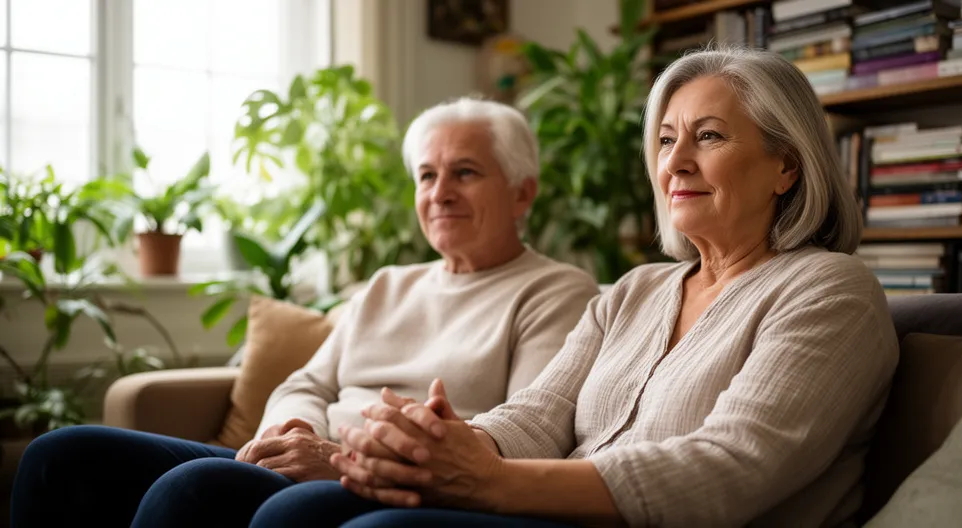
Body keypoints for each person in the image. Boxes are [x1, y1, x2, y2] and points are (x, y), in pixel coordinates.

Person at [257, 47, 901, 527]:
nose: (674, 162)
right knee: (210, 492)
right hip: (541, 515)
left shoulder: (829, 291)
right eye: (667, 139)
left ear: (786, 164)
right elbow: (539, 413)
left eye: (708, 137)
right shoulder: (636, 290)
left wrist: (484, 482)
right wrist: (450, 446)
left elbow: (730, 467)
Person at [10, 98, 600, 528]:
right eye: (426, 175)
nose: (439, 191)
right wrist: (299, 432)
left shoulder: (556, 292)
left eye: (464, 173)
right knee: (59, 456)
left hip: (401, 480)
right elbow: (306, 382)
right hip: (309, 452)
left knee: (195, 491)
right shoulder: (387, 285)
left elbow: (522, 438)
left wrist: (341, 460)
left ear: (523, 191)